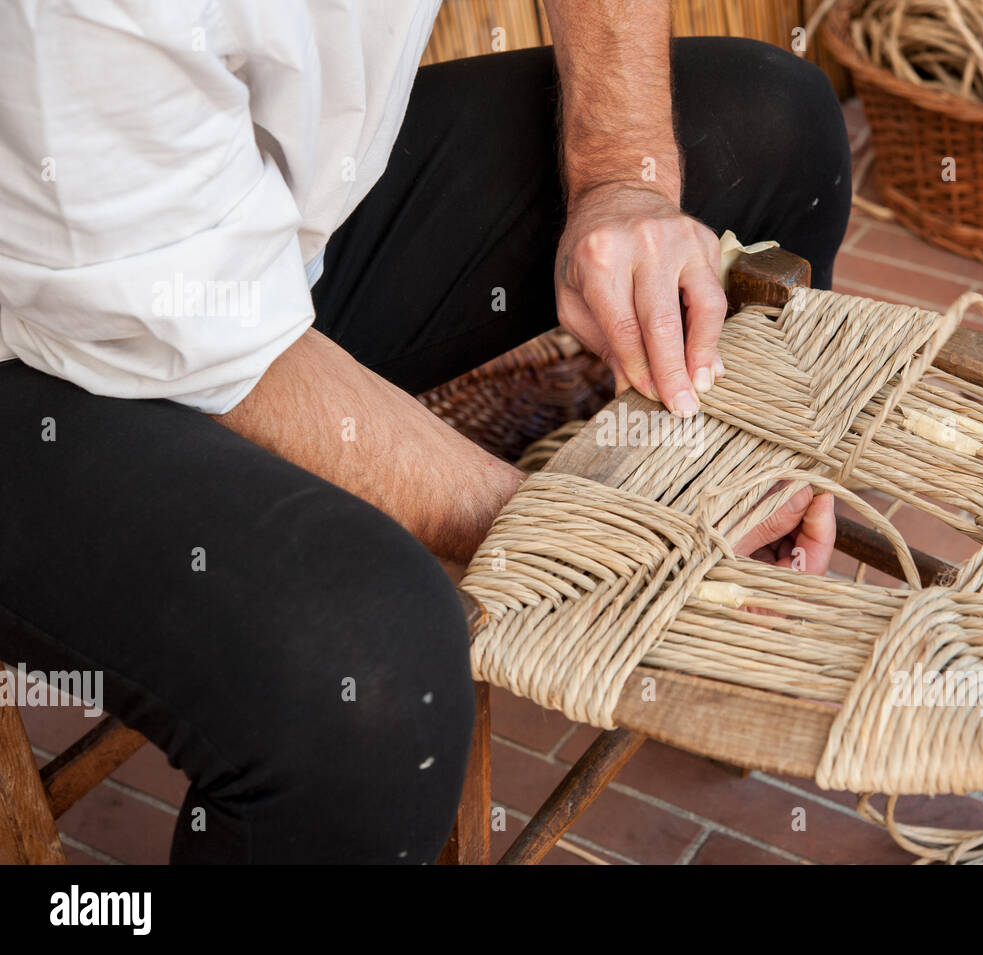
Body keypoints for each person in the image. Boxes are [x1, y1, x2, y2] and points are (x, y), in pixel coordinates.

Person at [0, 1, 851, 863]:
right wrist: (603, 547)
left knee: (776, 124)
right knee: (367, 679)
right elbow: (194, 335)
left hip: (260, 217)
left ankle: (715, 639)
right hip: (43, 345)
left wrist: (617, 178)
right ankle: (675, 590)